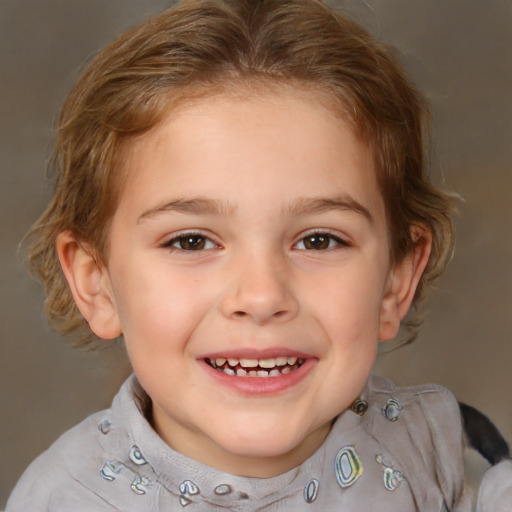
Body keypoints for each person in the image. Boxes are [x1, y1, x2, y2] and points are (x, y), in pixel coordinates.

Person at [6, 0, 511, 510]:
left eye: (318, 240)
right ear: (97, 282)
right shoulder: (64, 498)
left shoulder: (441, 455)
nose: (262, 296)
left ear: (396, 279)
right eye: (191, 241)